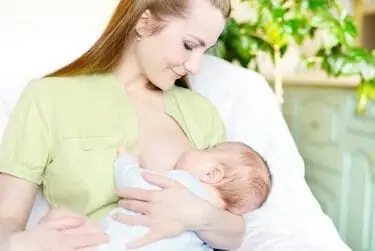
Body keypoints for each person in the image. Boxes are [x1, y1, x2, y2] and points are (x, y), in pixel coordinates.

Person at [0, 0, 247, 250]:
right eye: (189, 45)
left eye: (204, 51)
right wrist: (25, 243)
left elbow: (234, 229)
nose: (195, 67)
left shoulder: (201, 113)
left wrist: (198, 214)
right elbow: (6, 219)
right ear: (145, 22)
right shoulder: (47, 97)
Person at [98, 142, 272, 251]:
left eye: (206, 149)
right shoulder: (208, 239)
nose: (195, 148)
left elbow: (132, 181)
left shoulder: (183, 182)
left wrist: (126, 162)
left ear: (211, 174)